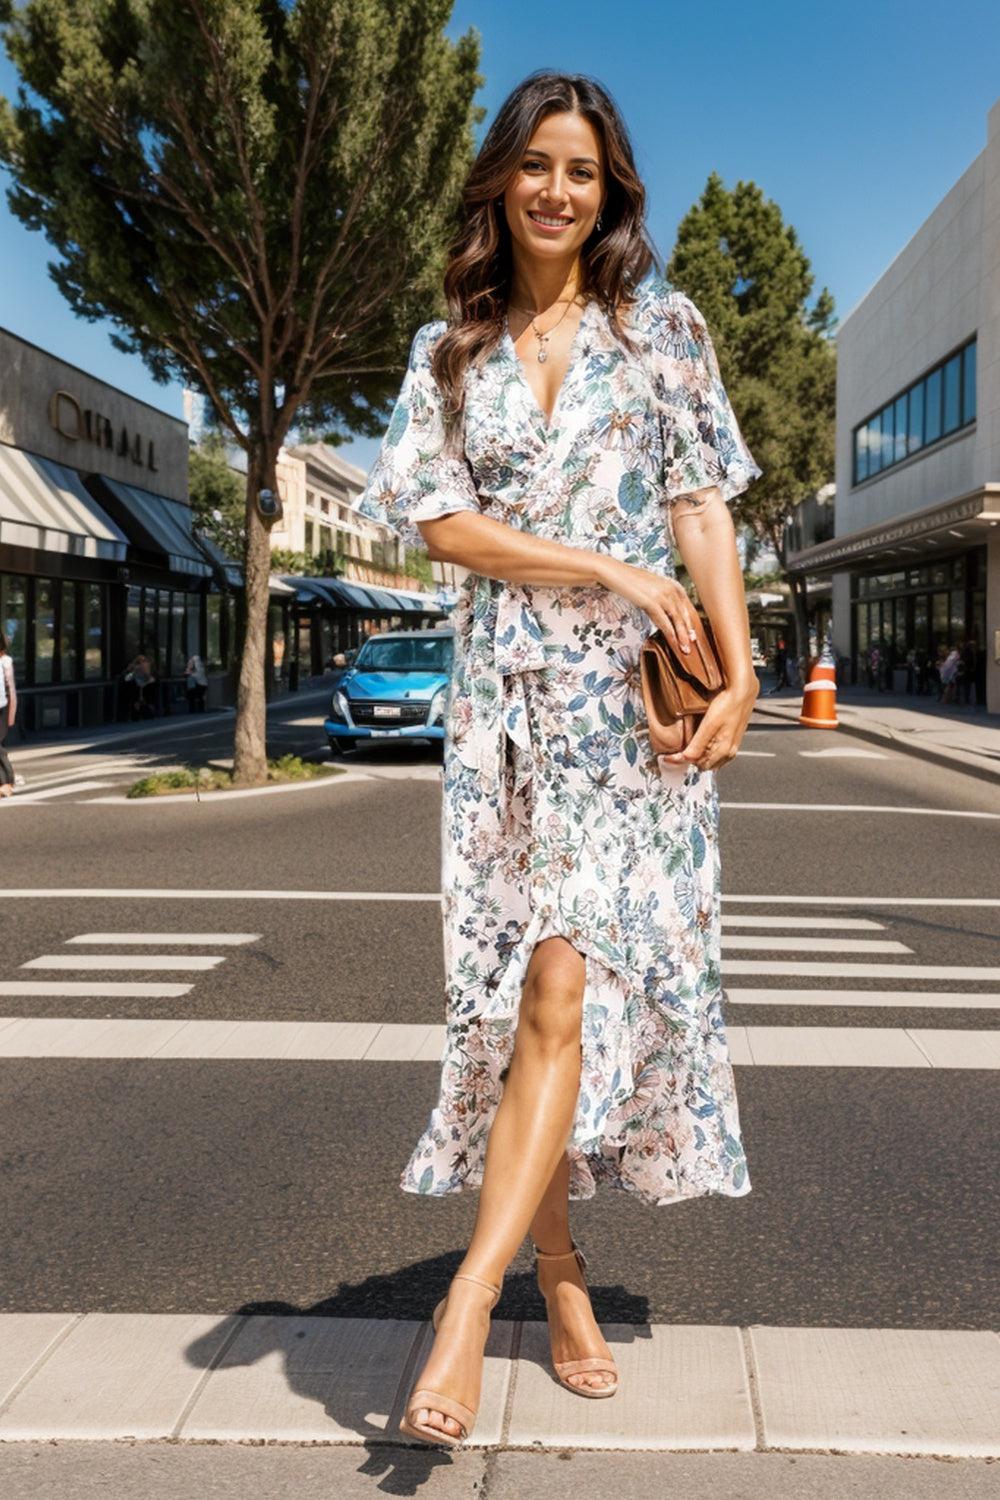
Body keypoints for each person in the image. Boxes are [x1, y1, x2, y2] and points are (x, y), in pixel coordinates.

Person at [357, 71, 762, 1448]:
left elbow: (703, 508)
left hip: (631, 727)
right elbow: (444, 527)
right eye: (536, 164)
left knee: (567, 978)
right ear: (500, 181)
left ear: (611, 192)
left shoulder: (664, 333)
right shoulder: (444, 355)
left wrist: (744, 660)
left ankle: (469, 1304)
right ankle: (559, 1268)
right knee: (540, 1006)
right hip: (507, 722)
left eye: (582, 170)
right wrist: (601, 561)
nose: (556, 190)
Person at [0, 631, 17, 798]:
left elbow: (11, 691)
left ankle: (6, 782)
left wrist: (11, 716)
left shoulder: (5, 662)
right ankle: (6, 782)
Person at [124, 651, 156, 720]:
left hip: (144, 694)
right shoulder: (133, 673)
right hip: (136, 694)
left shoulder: (147, 674)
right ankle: (137, 712)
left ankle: (142, 711)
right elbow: (127, 678)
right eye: (140, 662)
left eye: (144, 662)